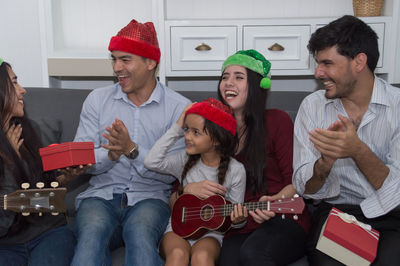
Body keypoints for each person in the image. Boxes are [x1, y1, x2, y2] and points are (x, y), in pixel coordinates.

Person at [71, 19, 191, 266]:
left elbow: (174, 172)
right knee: (91, 236)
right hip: (100, 196)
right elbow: (81, 160)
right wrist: (111, 156)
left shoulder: (179, 108)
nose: (117, 67)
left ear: (150, 62)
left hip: (150, 198)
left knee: (140, 234)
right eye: (114, 59)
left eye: (125, 60)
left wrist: (131, 150)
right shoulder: (97, 100)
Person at [181, 50, 311, 266]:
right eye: (225, 77)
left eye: (239, 77)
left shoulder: (277, 121)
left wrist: (275, 200)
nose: (229, 83)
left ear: (257, 86)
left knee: (254, 254)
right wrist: (187, 189)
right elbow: (183, 178)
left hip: (283, 217)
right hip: (236, 223)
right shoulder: (211, 131)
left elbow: (296, 180)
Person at [292, 15, 400, 266]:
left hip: (393, 216)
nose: (319, 73)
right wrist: (324, 164)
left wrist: (357, 151)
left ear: (359, 62)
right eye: (317, 63)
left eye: (327, 63)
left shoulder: (398, 106)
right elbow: (303, 187)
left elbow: (397, 191)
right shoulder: (312, 106)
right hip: (340, 215)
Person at [144, 98, 247, 266]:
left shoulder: (236, 170)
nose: (187, 136)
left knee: (203, 257)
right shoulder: (185, 159)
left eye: (195, 132)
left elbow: (233, 218)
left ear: (216, 139)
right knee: (177, 254)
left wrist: (238, 220)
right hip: (178, 229)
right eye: (186, 130)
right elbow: (151, 161)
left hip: (210, 234)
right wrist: (177, 127)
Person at [0, 59, 77, 265]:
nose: (22, 90)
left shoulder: (29, 130)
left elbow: (40, 192)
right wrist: (9, 162)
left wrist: (65, 178)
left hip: (49, 233)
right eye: (14, 83)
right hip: (6, 242)